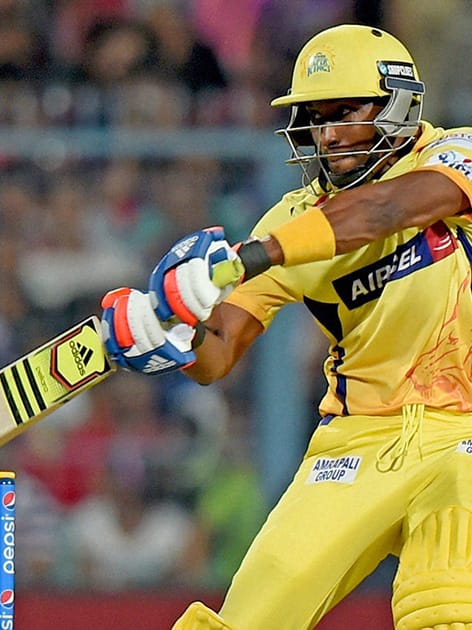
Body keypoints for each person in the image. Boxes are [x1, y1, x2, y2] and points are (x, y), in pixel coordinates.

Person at [99, 24, 472, 630]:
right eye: (315, 117)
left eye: (345, 112)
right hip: (356, 441)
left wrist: (255, 255)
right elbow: (219, 350)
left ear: (398, 106)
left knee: (447, 606)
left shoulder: (454, 155)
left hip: (465, 431)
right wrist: (166, 333)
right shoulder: (292, 218)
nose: (328, 134)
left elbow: (385, 209)